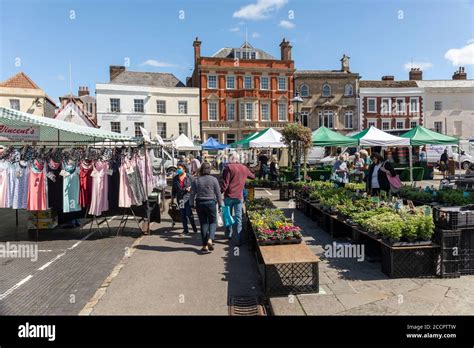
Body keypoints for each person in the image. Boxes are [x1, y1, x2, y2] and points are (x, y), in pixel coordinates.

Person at [221, 153, 255, 246]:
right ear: (237, 159)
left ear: (230, 159)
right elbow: (253, 176)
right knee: (238, 217)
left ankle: (229, 234)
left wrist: (220, 192)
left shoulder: (228, 168)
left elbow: (225, 183)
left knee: (228, 215)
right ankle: (239, 238)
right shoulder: (243, 168)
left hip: (229, 195)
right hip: (239, 196)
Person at [190, 162, 223, 253]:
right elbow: (218, 193)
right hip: (211, 202)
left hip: (200, 203)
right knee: (212, 222)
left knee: (203, 224)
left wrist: (191, 204)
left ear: (201, 170)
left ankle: (204, 246)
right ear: (209, 170)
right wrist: (220, 204)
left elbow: (192, 194)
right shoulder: (214, 180)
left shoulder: (196, 180)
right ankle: (210, 239)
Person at [171, 164, 197, 236]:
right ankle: (185, 230)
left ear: (184, 169)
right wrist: (172, 199)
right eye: (177, 169)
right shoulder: (175, 178)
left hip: (188, 198)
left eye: (179, 168)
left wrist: (190, 188)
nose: (178, 170)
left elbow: (196, 185)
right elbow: (173, 190)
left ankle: (194, 227)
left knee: (189, 214)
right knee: (183, 215)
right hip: (181, 199)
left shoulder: (190, 177)